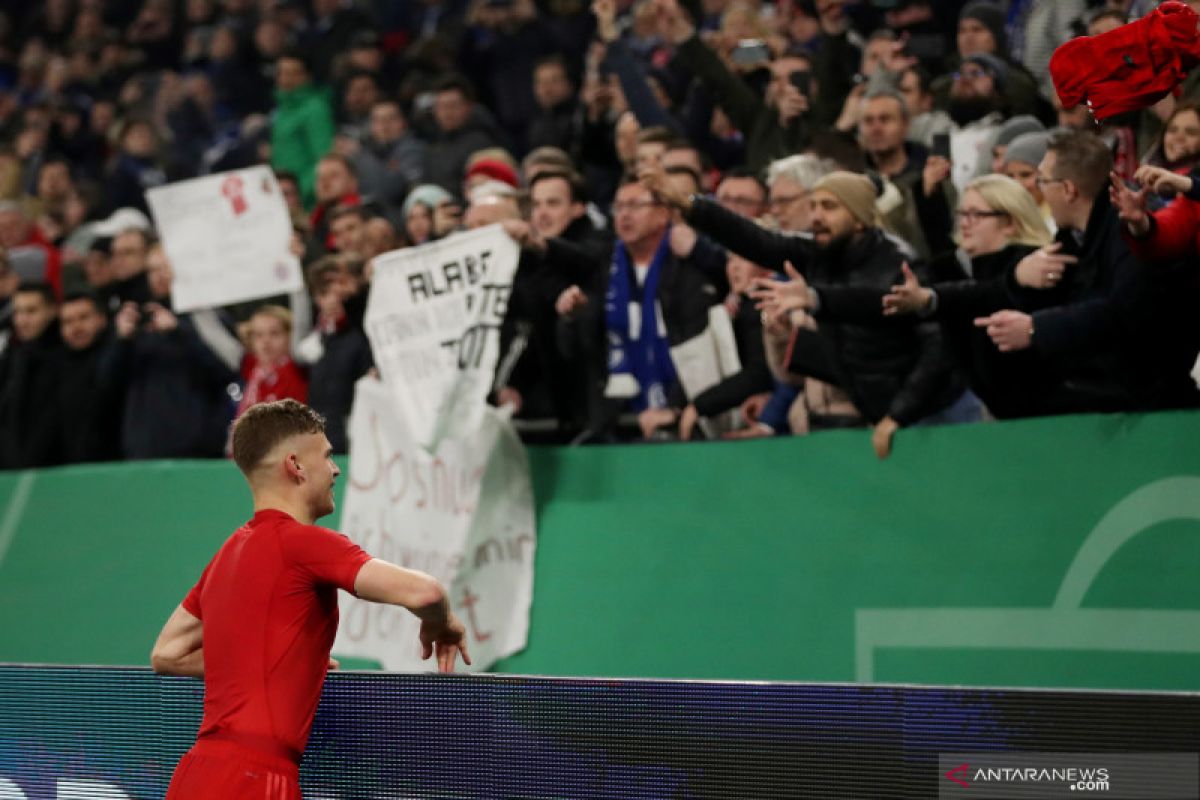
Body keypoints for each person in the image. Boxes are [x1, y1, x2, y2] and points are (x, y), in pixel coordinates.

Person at [152, 399, 470, 799]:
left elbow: (167, 654)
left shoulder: (226, 554)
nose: (335, 469)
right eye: (327, 456)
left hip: (196, 776)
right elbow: (426, 592)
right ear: (295, 465)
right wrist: (442, 623)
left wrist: (280, 662)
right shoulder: (304, 544)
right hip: (255, 782)